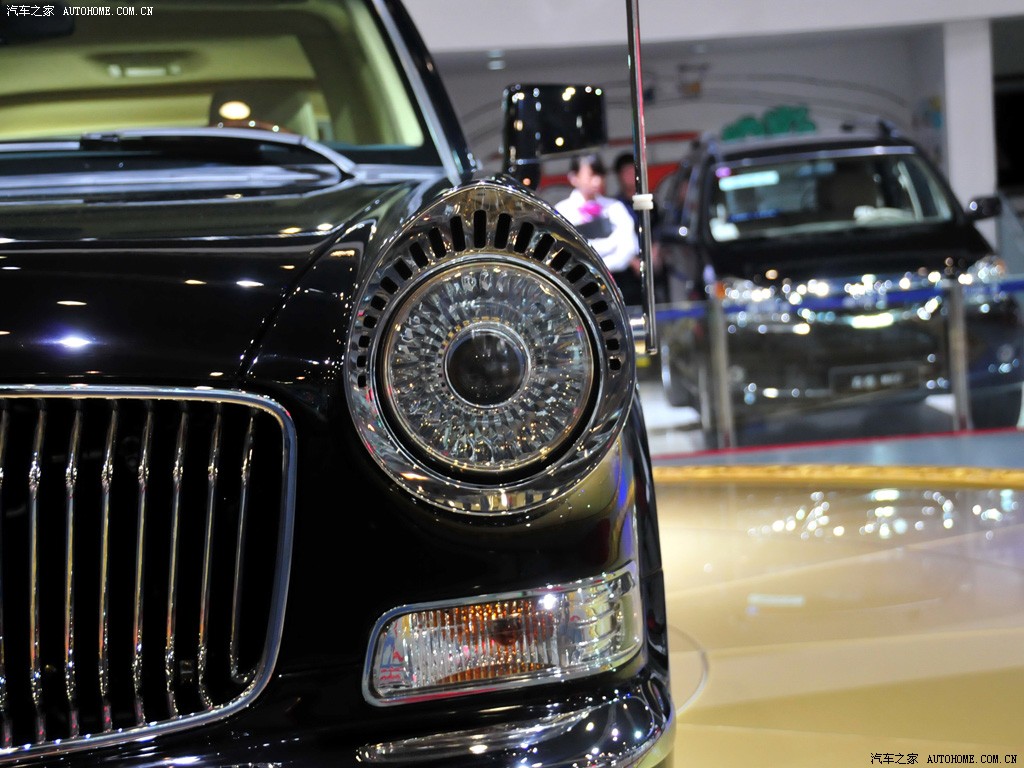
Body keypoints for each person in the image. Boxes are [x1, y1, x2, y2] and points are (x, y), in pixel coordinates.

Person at [555, 153, 644, 306]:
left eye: (600, 175)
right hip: (578, 286)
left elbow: (628, 247)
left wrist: (600, 264)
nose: (597, 181)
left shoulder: (615, 207)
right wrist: (610, 245)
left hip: (618, 284)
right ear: (574, 177)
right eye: (591, 175)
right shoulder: (562, 212)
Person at [613, 151, 668, 303]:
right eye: (626, 172)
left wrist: (654, 253)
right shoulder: (615, 207)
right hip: (628, 272)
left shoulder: (649, 203)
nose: (631, 176)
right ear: (619, 176)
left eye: (633, 171)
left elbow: (657, 230)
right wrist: (633, 261)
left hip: (652, 265)